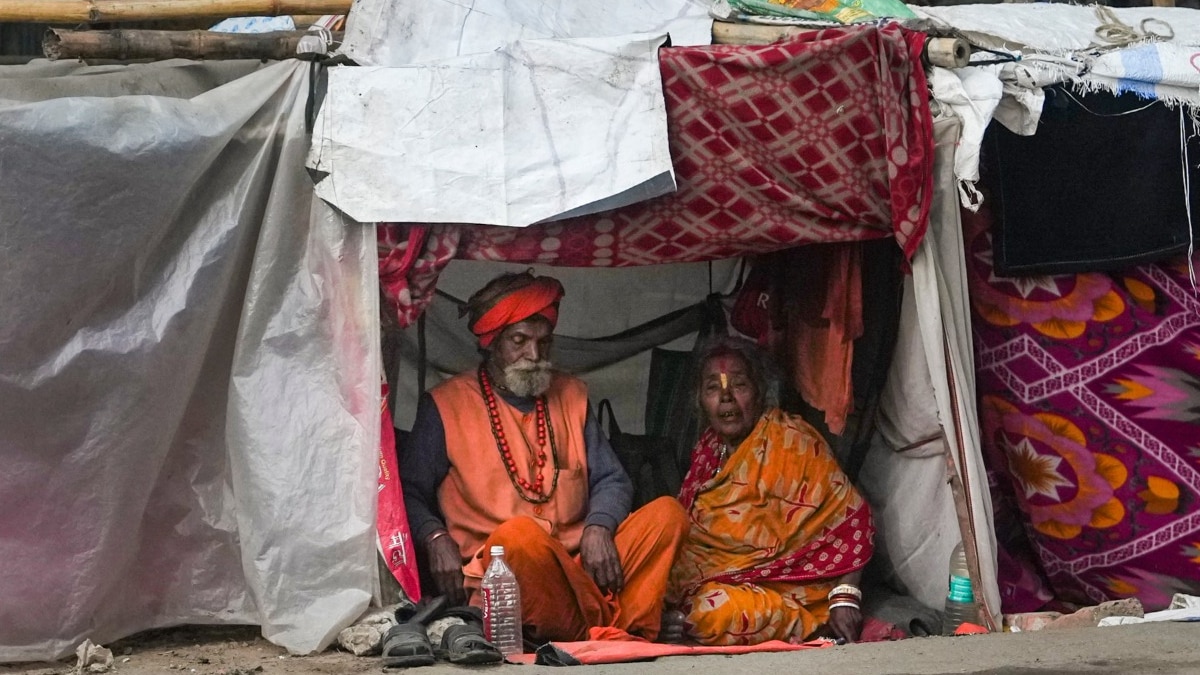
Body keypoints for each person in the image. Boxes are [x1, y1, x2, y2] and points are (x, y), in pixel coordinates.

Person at [401, 270, 687, 644]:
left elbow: (612, 479)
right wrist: (435, 536)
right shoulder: (445, 404)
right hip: (506, 571)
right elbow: (408, 489)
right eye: (519, 341)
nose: (534, 356)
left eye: (544, 342)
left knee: (668, 514)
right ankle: (621, 625)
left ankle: (590, 628)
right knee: (518, 536)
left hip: (581, 567)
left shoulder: (571, 394)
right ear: (491, 343)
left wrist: (599, 527)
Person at [661, 338, 876, 646]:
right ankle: (665, 619)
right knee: (641, 588)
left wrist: (846, 597)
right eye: (712, 388)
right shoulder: (708, 448)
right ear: (699, 399)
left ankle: (677, 624)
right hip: (700, 580)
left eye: (739, 385)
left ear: (760, 391)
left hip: (779, 590)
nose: (726, 397)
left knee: (710, 613)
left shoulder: (791, 441)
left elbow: (855, 522)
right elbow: (688, 533)